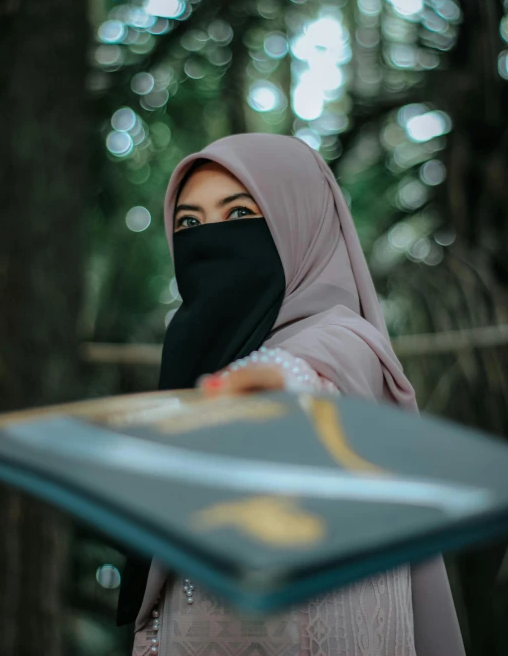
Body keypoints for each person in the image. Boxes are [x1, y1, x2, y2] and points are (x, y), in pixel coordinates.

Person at [119, 133, 465, 656]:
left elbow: (319, 370)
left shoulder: (345, 341)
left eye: (239, 215)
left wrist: (274, 376)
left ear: (301, 225)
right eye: (189, 223)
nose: (208, 240)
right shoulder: (189, 362)